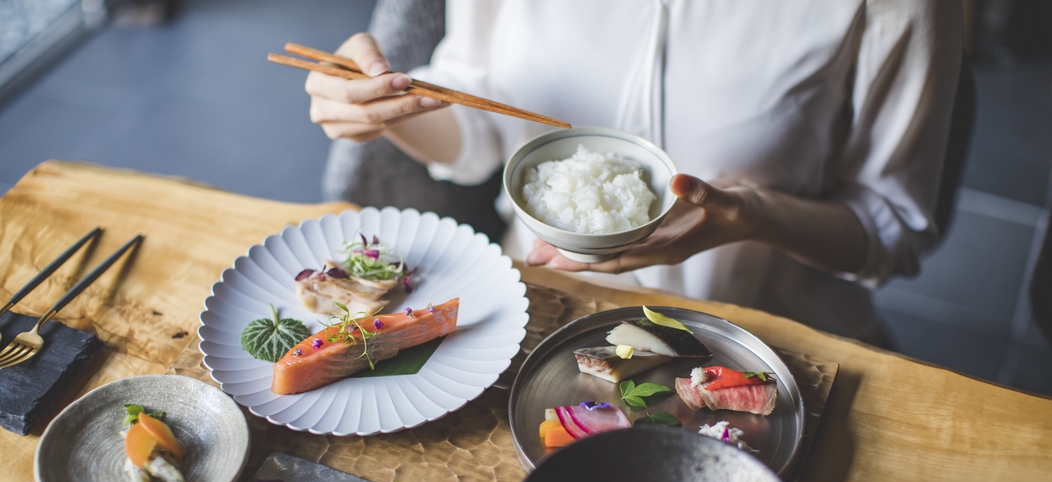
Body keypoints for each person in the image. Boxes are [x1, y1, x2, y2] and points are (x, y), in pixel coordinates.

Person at [306, 0, 963, 342]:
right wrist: (385, 110)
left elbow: (891, 228)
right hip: (542, 310)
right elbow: (477, 123)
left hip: (763, 337)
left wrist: (752, 217)